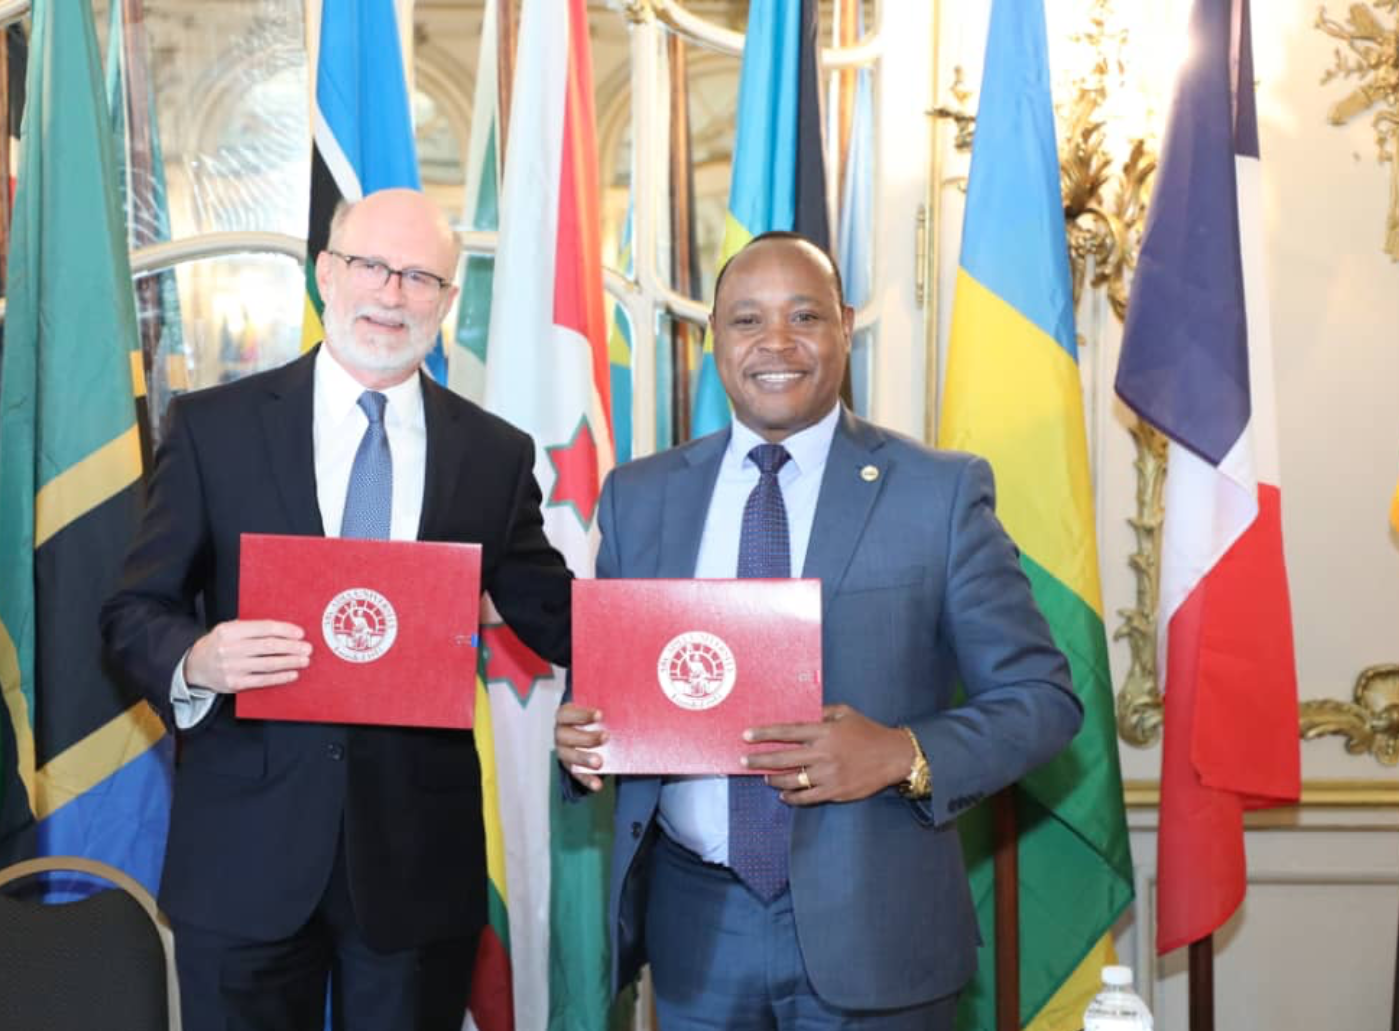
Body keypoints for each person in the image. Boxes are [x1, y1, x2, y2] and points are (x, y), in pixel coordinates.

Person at [554, 231, 1083, 1030]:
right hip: (695, 931)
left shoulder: (937, 492)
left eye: (803, 315)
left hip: (880, 925)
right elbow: (612, 688)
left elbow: (1042, 700)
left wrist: (903, 752)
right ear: (712, 342)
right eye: (745, 320)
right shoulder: (640, 496)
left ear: (842, 328)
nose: (775, 342)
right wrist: (580, 736)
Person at [101, 188, 572, 1031]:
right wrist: (198, 659)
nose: (392, 294)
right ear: (326, 273)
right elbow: (134, 609)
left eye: (420, 277)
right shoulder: (215, 427)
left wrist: (700, 643)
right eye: (372, 267)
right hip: (244, 855)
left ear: (447, 301)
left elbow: (556, 612)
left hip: (415, 864)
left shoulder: (494, 455)